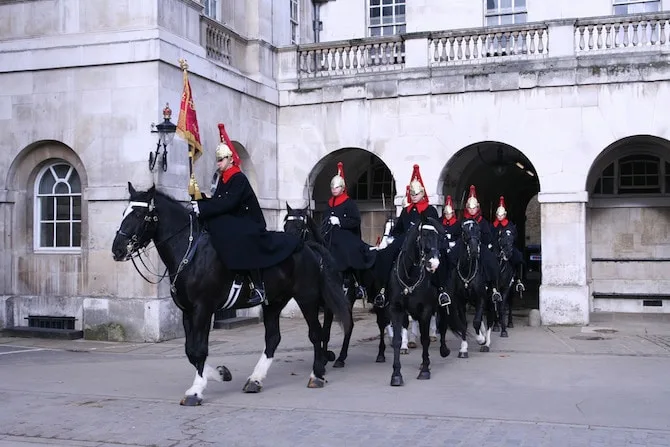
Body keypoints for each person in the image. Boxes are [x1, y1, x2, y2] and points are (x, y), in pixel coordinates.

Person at [191, 140, 300, 306]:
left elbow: (229, 202)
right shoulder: (223, 179)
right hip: (234, 218)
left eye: (221, 159)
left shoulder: (238, 177)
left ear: (230, 159)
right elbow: (219, 200)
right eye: (217, 160)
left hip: (249, 221)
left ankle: (258, 286)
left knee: (241, 236)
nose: (218, 163)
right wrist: (202, 201)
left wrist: (203, 208)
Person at [372, 164, 439, 308]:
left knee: (440, 259)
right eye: (412, 194)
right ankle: (383, 290)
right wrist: (390, 238)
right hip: (405, 241)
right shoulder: (406, 211)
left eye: (417, 194)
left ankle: (442, 290)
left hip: (425, 241)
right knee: (385, 255)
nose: (414, 197)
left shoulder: (430, 210)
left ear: (422, 193)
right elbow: (398, 229)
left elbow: (436, 228)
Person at [321, 162, 375, 300]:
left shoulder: (349, 203)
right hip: (330, 234)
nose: (334, 189)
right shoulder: (329, 203)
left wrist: (340, 221)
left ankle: (357, 284)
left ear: (342, 188)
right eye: (332, 187)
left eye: (337, 187)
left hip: (346, 234)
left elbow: (355, 220)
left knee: (349, 250)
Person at [461, 185, 502, 301]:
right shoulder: (464, 221)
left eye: (474, 208)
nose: (472, 210)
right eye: (470, 208)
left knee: (491, 261)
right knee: (451, 259)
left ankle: (494, 288)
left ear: (477, 208)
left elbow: (487, 236)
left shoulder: (482, 222)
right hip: (466, 246)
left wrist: (485, 244)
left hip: (480, 246)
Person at [491, 196, 525, 293]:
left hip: (508, 247)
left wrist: (509, 245)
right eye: (498, 215)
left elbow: (515, 237)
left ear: (505, 215)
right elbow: (491, 236)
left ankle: (518, 279)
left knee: (518, 256)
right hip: (496, 248)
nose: (500, 217)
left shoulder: (509, 225)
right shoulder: (494, 226)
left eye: (501, 215)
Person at [434, 195, 461, 307]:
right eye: (446, 213)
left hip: (454, 249)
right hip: (443, 249)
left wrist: (454, 244)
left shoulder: (458, 224)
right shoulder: (440, 222)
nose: (447, 216)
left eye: (449, 214)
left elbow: (460, 236)